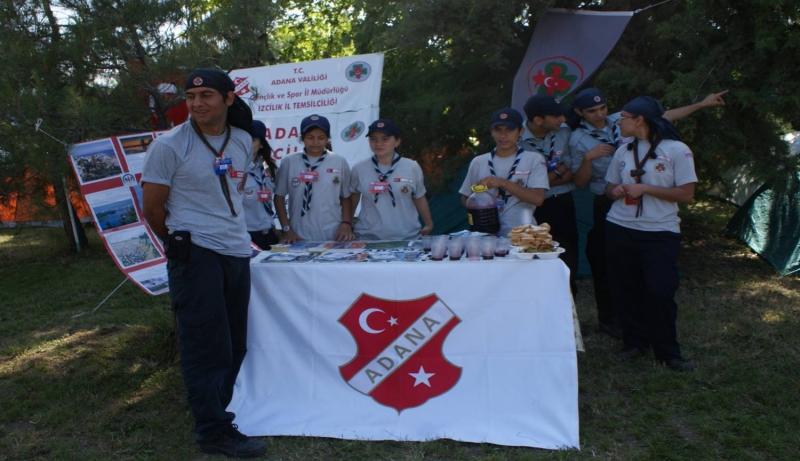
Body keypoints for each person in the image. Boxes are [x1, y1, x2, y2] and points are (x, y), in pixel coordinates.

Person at [141, 68, 267, 457]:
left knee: (235, 344)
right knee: (205, 344)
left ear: (229, 99)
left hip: (235, 248)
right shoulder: (170, 145)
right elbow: (153, 208)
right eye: (191, 97)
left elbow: (233, 187)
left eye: (207, 96)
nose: (196, 104)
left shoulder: (244, 140)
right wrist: (182, 242)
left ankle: (215, 409)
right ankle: (213, 431)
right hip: (195, 252)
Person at [570, 87, 727, 338]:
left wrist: (701, 104)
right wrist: (589, 160)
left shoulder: (628, 123)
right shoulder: (577, 138)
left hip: (652, 209)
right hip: (610, 201)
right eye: (592, 111)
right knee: (608, 268)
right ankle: (613, 321)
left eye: (604, 108)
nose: (601, 114)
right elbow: (580, 182)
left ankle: (655, 333)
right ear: (579, 112)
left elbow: (667, 116)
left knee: (655, 279)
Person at [604, 96, 697, 371]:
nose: (618, 121)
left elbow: (687, 194)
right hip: (620, 227)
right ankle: (634, 343)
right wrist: (617, 190)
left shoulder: (676, 150)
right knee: (625, 289)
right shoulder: (623, 150)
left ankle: (669, 352)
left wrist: (645, 189)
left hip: (659, 232)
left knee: (660, 291)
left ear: (639, 120)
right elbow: (608, 188)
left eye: (623, 117)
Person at [520, 95, 579, 295]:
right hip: (532, 208)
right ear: (538, 120)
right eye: (555, 116)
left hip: (562, 202)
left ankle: (570, 312)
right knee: (536, 257)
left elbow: (571, 170)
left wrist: (545, 179)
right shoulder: (516, 138)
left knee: (568, 257)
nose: (562, 119)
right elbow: (524, 185)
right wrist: (557, 173)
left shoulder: (563, 131)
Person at [459, 108, 548, 237]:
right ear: (491, 131)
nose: (503, 135)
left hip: (523, 235)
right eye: (498, 130)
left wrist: (502, 183)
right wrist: (481, 188)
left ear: (520, 131)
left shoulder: (534, 159)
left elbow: (538, 199)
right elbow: (466, 197)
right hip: (486, 235)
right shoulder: (479, 162)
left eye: (510, 130)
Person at [274, 114, 354, 243]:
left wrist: (346, 223)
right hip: (297, 233)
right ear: (302, 138)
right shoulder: (289, 162)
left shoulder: (339, 161)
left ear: (328, 139)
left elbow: (346, 197)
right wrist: (286, 228)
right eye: (310, 137)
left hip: (332, 233)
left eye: (321, 138)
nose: (315, 142)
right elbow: (279, 197)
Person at [350, 118, 434, 239]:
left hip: (406, 236)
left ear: (397, 142)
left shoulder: (411, 167)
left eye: (385, 139)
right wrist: (346, 224)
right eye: (373, 139)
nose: (378, 144)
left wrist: (428, 223)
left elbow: (419, 197)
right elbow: (353, 198)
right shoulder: (359, 169)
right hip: (368, 237)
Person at [243, 120, 279, 250]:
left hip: (269, 234)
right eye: (243, 139)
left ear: (261, 144)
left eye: (252, 140)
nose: (246, 144)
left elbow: (279, 197)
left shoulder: (269, 167)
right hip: (246, 236)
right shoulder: (233, 170)